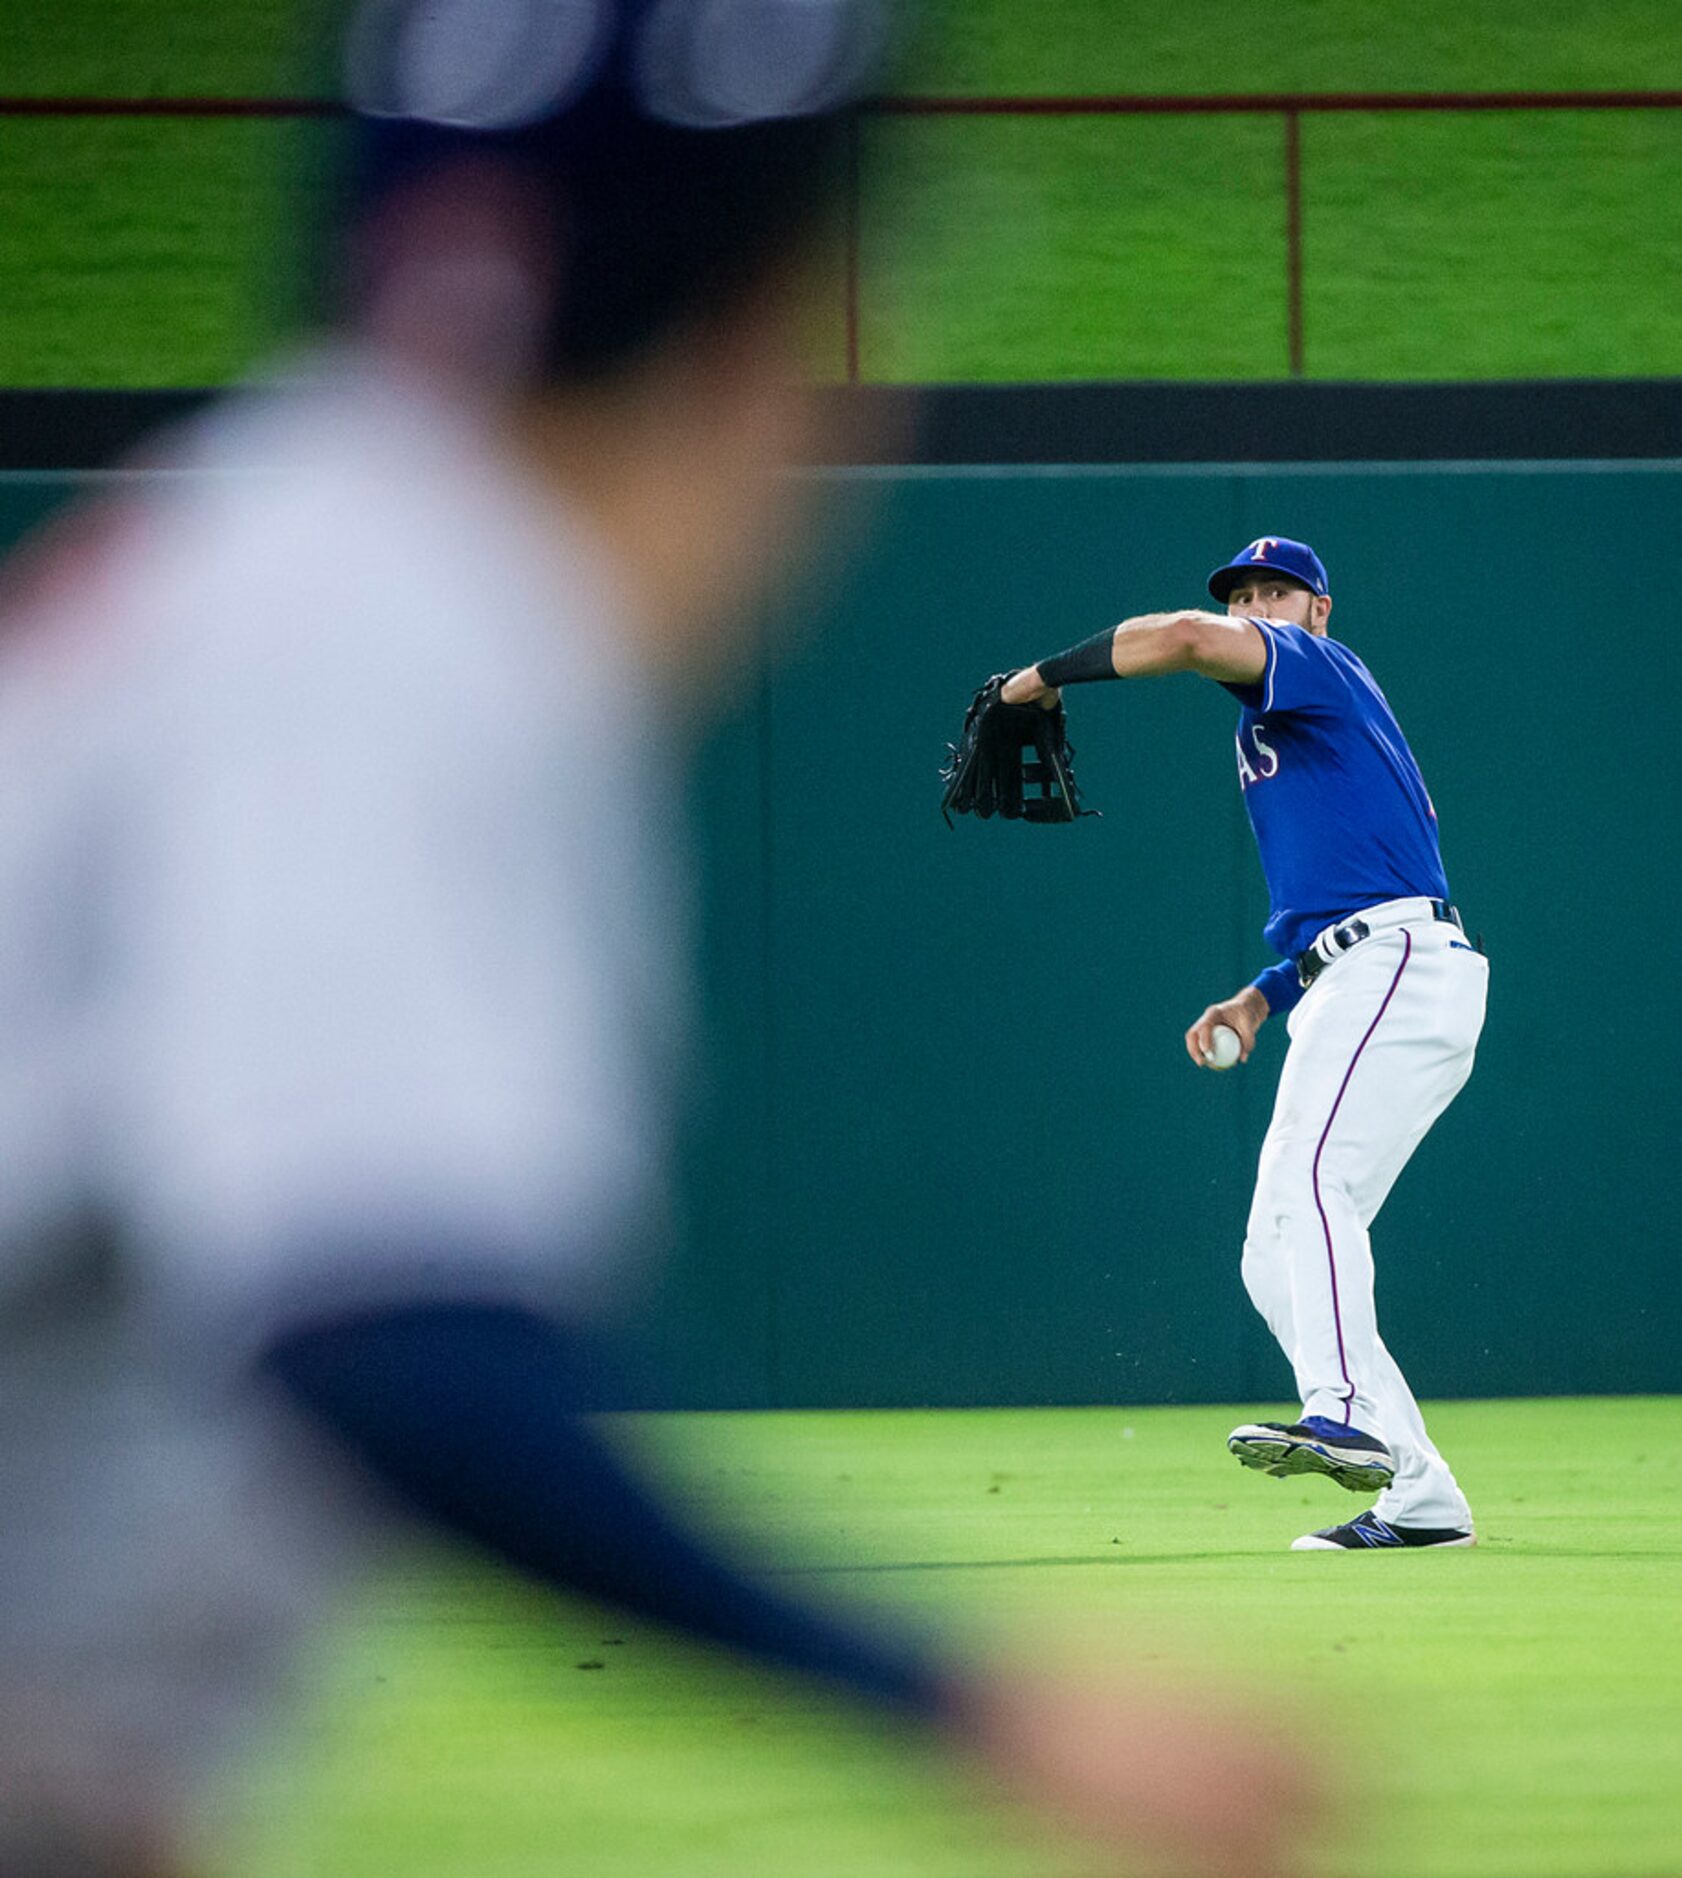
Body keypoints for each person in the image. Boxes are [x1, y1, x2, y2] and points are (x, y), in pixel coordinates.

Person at [0, 6, 1321, 1875]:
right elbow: (392, 1343)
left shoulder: (302, 556)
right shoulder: (387, 624)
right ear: (748, 339)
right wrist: (973, 1704)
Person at [1002, 535, 1489, 1552]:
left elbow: (1179, 636)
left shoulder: (1314, 663)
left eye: (1278, 591)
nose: (1257, 604)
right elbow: (1356, 872)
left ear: (1318, 609)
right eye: (1244, 592)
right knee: (1271, 1250)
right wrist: (1264, 996)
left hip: (1395, 966)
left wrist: (1035, 681)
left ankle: (1342, 1414)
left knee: (1315, 1185)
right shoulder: (1294, 720)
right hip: (1353, 969)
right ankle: (1418, 1492)